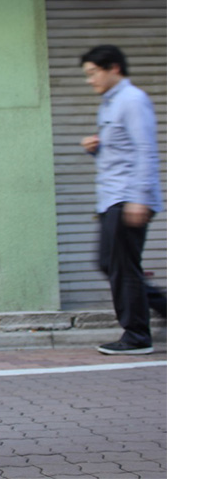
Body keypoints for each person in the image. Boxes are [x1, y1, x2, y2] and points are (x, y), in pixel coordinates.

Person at [79, 44, 166, 355]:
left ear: (113, 68)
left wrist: (138, 199)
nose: (90, 80)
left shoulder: (132, 100)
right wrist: (97, 147)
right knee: (110, 263)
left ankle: (137, 336)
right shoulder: (109, 103)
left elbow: (145, 150)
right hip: (112, 197)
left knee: (122, 268)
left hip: (128, 198)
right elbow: (123, 150)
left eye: (93, 73)